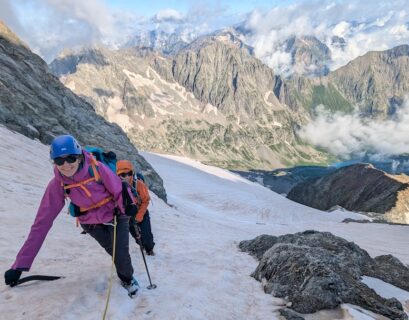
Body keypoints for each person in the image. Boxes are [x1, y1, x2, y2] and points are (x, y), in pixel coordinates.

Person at [3, 135, 139, 297]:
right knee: (113, 251)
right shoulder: (58, 184)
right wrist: (19, 266)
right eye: (59, 161)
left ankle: (128, 279)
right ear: (54, 162)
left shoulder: (97, 169)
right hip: (90, 223)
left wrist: (126, 211)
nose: (66, 165)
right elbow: (41, 223)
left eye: (71, 158)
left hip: (116, 215)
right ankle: (124, 269)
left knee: (120, 254)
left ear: (79, 156)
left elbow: (118, 190)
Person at [116, 160, 155, 256]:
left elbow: (145, 200)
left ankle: (149, 248)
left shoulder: (139, 184)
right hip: (128, 216)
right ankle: (143, 245)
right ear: (118, 174)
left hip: (141, 212)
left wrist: (139, 215)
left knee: (147, 236)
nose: (127, 176)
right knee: (137, 237)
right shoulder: (115, 186)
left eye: (129, 173)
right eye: (123, 174)